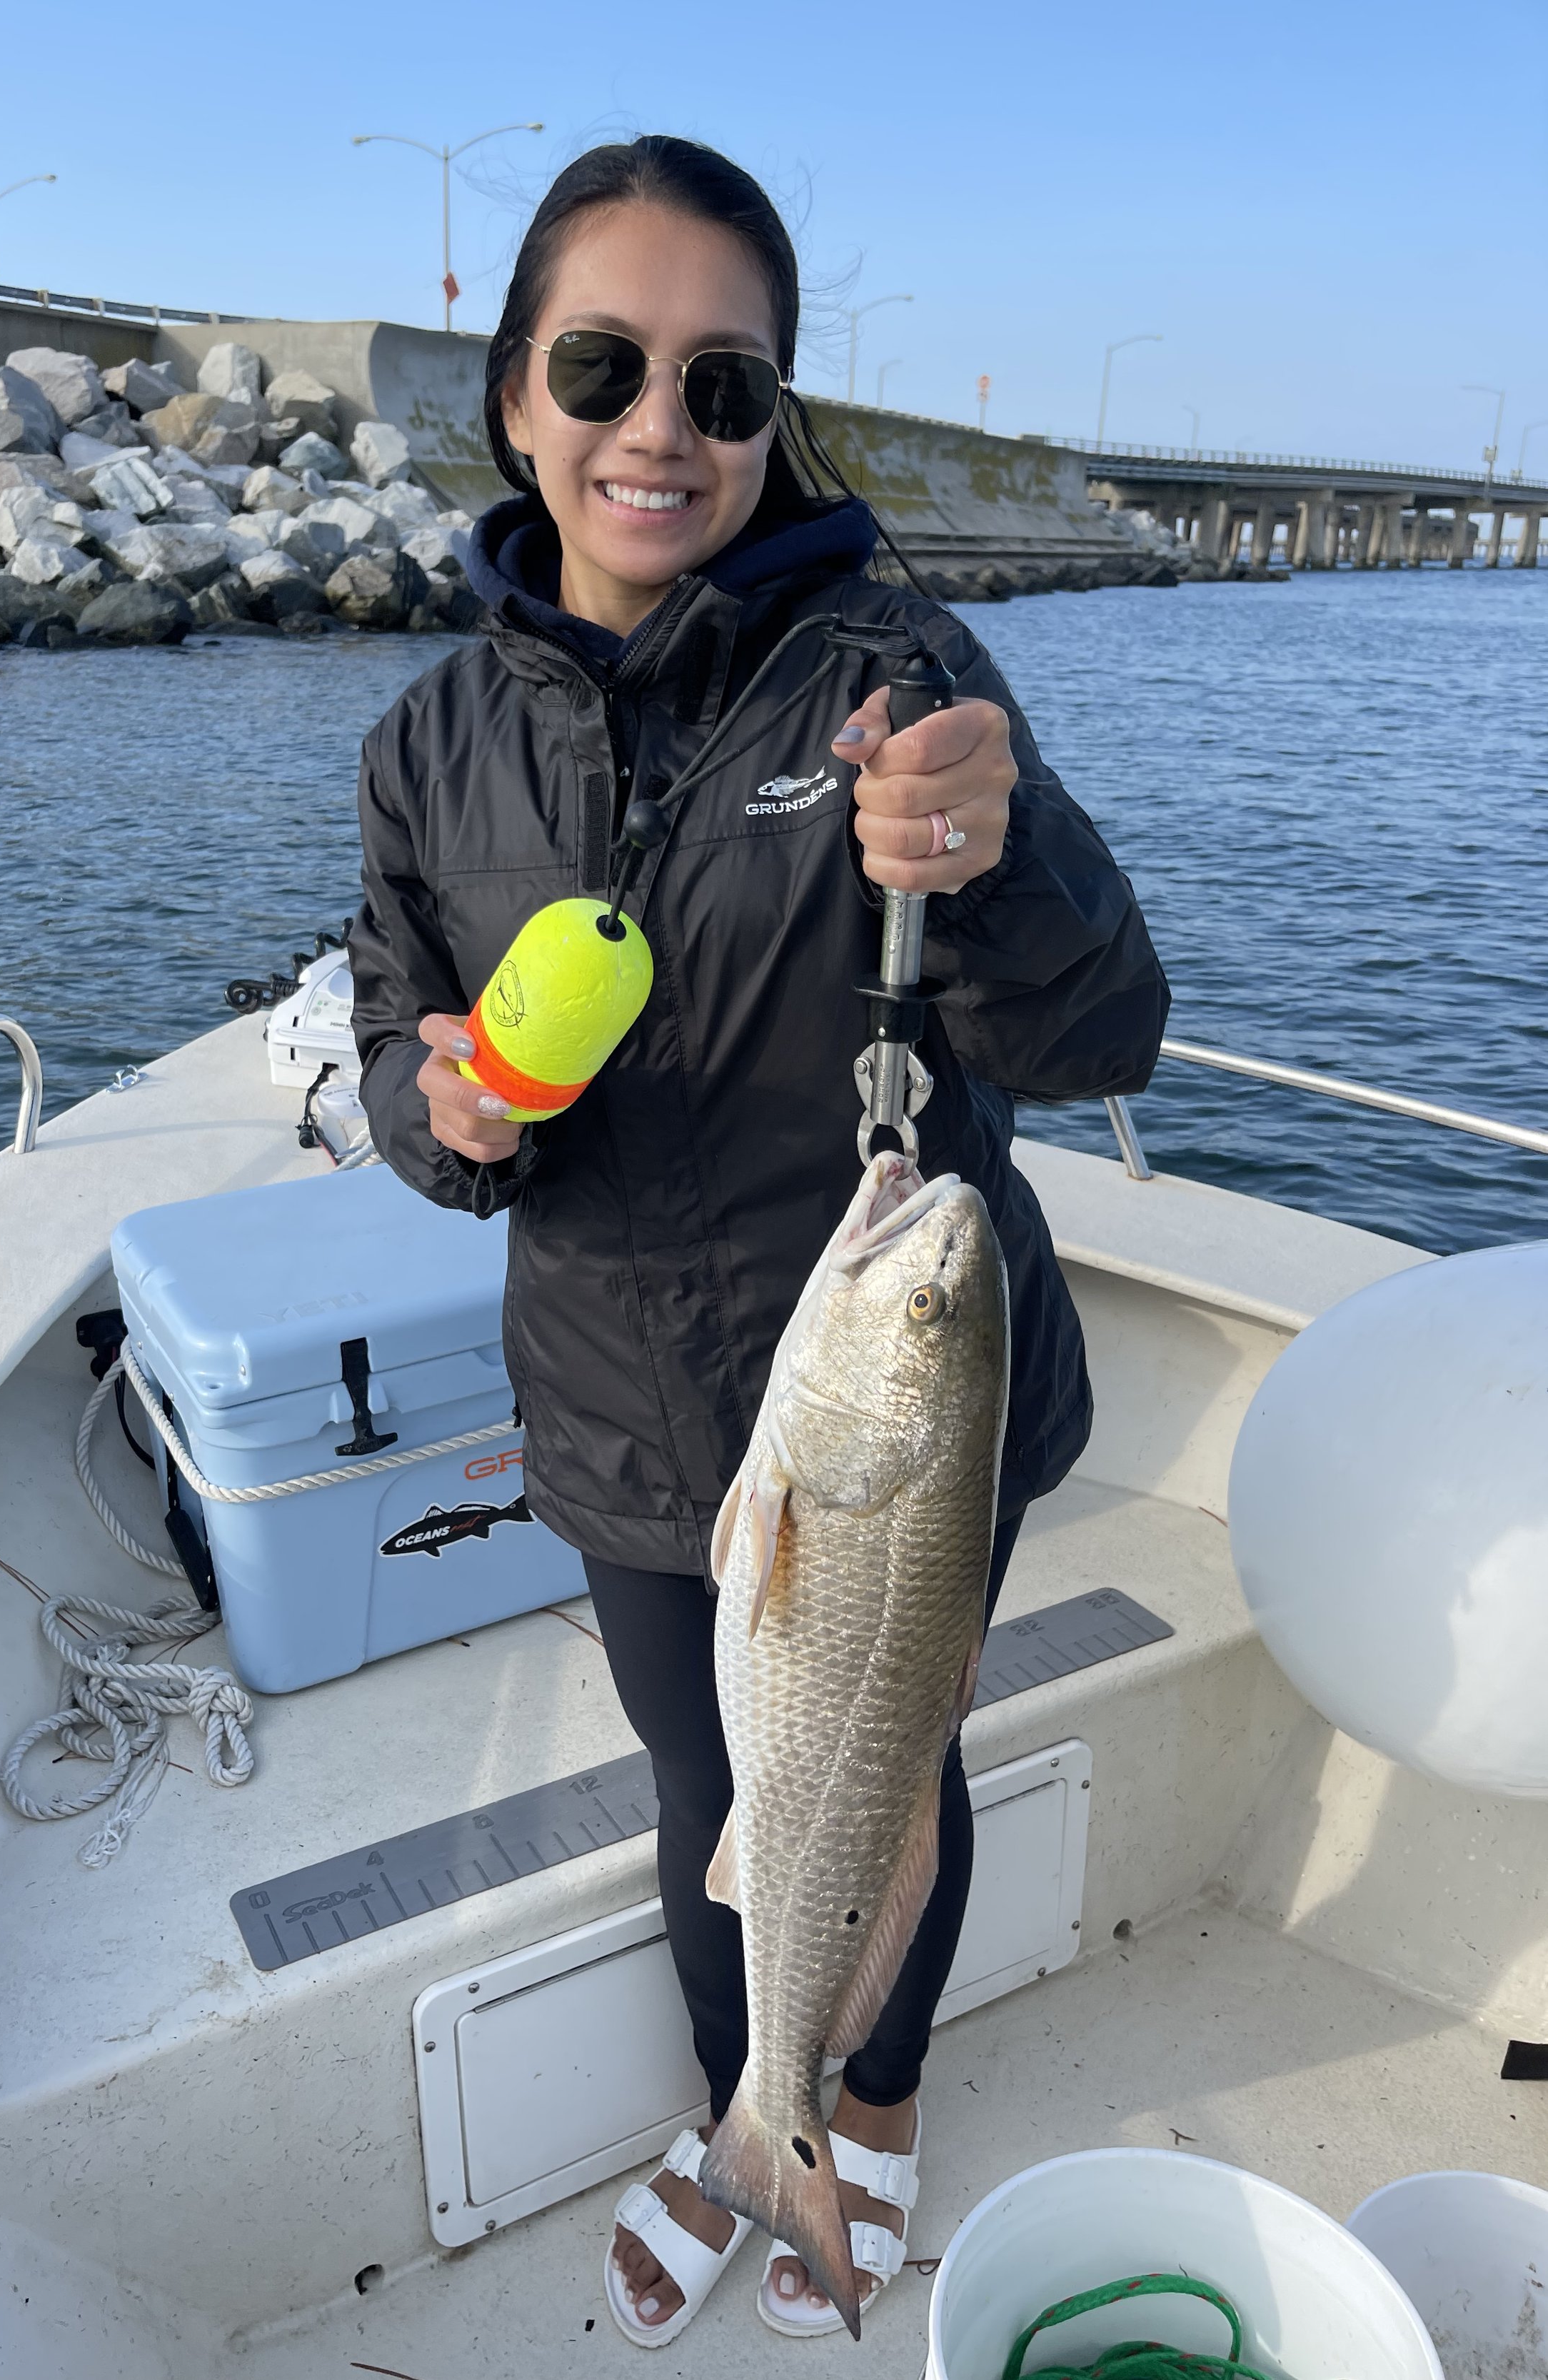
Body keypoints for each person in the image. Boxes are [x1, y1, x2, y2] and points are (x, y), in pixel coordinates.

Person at [346, 134, 1167, 2346]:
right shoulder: (427, 748)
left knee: (889, 1761)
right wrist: (456, 1120)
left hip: (905, 1409)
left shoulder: (891, 670)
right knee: (711, 1789)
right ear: (515, 395)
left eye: (726, 386)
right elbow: (411, 1091)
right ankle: (756, 2115)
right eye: (604, 365)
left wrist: (994, 859)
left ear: (772, 418)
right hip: (627, 1409)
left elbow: (1101, 1031)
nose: (660, 429)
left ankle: (863, 2103)